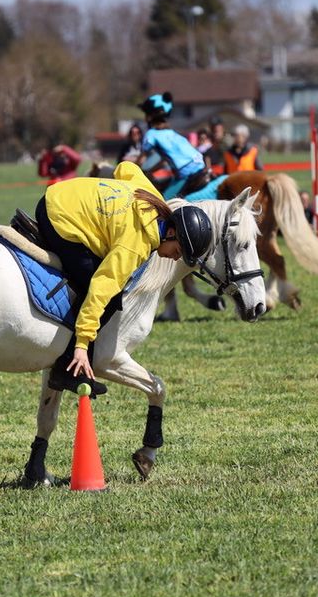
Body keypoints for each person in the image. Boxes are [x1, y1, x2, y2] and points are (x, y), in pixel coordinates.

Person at [35, 160, 211, 397]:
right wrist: (81, 344)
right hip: (58, 216)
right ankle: (66, 367)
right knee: (108, 294)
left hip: (63, 193)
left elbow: (126, 168)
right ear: (171, 232)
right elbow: (100, 288)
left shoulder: (152, 196)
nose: (173, 258)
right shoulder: (134, 246)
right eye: (178, 252)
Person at [136, 92, 209, 198]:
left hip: (187, 173)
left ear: (151, 116)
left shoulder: (151, 134)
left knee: (163, 203)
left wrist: (131, 170)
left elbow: (141, 160)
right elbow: (164, 161)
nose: (145, 118)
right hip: (200, 166)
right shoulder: (172, 133)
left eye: (146, 114)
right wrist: (149, 171)